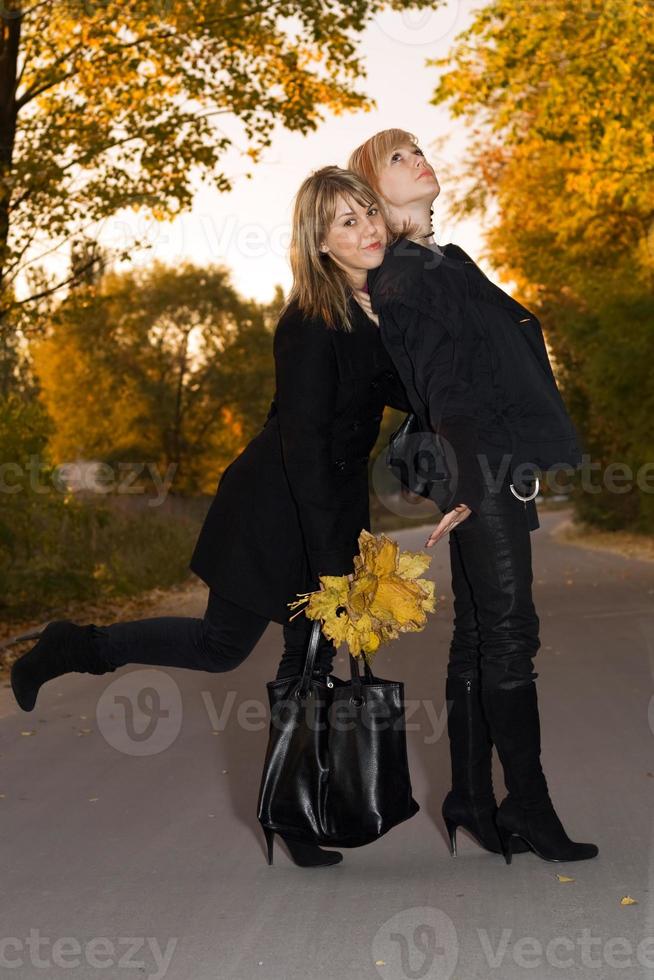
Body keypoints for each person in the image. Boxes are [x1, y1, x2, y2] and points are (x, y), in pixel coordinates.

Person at [10, 166, 410, 868]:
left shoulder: (373, 311)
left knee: (305, 664)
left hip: (323, 511)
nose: (367, 228)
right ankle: (76, 645)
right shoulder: (310, 324)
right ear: (318, 241)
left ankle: (289, 815)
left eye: (369, 212)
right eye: (345, 221)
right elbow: (306, 448)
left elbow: (407, 394)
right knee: (224, 646)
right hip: (274, 512)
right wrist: (330, 565)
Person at [348, 129, 598, 864]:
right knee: (511, 636)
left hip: (491, 462)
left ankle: (469, 796)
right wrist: (467, 476)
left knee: (482, 635)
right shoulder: (406, 276)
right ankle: (527, 805)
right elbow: (446, 386)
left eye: (417, 148)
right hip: (479, 466)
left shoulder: (439, 261)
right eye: (396, 158)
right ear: (373, 190)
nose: (417, 159)